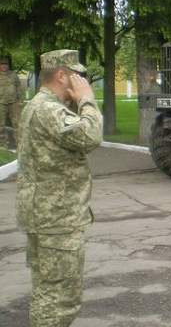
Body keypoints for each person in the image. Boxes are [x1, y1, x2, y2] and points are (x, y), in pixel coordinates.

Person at [16, 49, 103, 326]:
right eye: (76, 76)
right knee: (60, 299)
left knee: (46, 292)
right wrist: (87, 100)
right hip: (57, 219)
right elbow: (90, 135)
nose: (81, 82)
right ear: (62, 75)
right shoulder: (48, 110)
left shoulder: (37, 106)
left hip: (45, 215)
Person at [0, 56, 22, 148]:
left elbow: (18, 87)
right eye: (2, 64)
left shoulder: (13, 75)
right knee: (1, 125)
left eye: (6, 64)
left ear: (8, 65)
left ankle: (19, 143)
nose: (4, 66)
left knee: (17, 123)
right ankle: (2, 145)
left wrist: (20, 100)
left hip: (13, 103)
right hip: (1, 103)